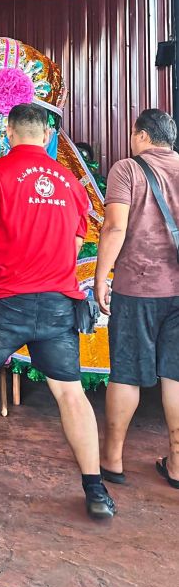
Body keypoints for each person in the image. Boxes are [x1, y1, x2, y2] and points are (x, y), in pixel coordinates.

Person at [0, 102, 116, 520]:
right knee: (70, 392)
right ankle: (95, 488)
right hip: (57, 303)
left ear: (9, 131)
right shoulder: (70, 182)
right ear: (47, 135)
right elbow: (74, 242)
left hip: (5, 299)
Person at [95, 108, 179, 488]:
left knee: (126, 374)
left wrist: (101, 276)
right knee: (175, 375)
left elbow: (115, 227)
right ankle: (176, 465)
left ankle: (112, 460)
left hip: (138, 288)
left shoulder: (127, 170)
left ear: (142, 135)